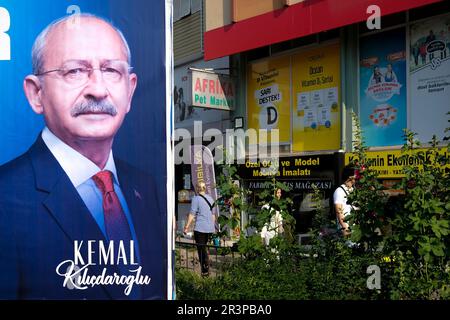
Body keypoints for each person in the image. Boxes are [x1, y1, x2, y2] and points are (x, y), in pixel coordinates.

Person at [0, 14, 166, 299]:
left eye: (112, 71)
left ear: (130, 90)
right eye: (75, 71)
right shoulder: (5, 197)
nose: (98, 90)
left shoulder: (144, 186)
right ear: (36, 93)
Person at [183, 181, 216, 277]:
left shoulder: (196, 199)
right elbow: (213, 215)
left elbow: (192, 214)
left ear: (197, 189)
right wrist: (212, 227)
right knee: (204, 248)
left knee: (201, 249)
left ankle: (205, 270)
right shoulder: (211, 199)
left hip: (200, 228)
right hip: (209, 228)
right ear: (205, 189)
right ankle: (205, 268)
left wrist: (186, 227)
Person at [333, 167, 356, 237]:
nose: (357, 177)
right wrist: (345, 228)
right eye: (355, 175)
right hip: (347, 228)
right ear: (350, 177)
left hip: (355, 228)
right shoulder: (339, 191)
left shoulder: (353, 190)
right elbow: (339, 211)